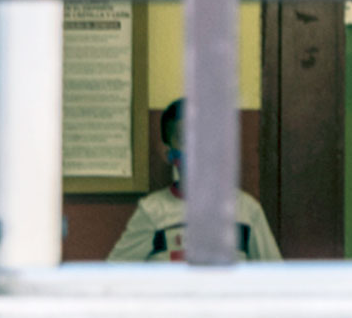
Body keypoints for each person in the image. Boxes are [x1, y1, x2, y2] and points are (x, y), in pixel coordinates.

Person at [107, 99, 282, 262]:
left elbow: (275, 280)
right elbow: (112, 276)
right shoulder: (153, 212)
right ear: (168, 153)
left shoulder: (246, 212)